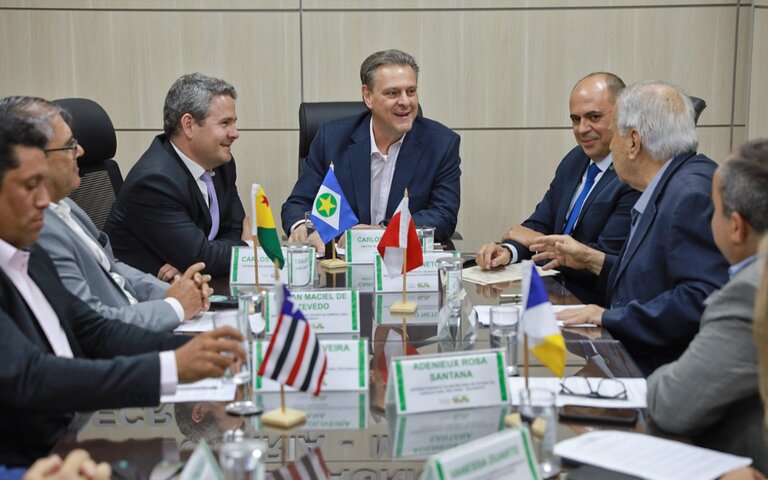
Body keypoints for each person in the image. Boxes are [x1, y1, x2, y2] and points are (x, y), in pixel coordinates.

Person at [0, 115, 245, 467]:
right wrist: (172, 365)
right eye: (28, 186)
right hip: (32, 458)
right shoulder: (33, 244)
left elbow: (93, 331)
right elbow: (34, 375)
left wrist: (200, 350)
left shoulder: (30, 255)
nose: (44, 202)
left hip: (79, 434)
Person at [530, 81, 729, 374]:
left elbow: (700, 300)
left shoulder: (690, 195)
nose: (611, 147)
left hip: (658, 374)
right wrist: (592, 261)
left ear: (634, 142)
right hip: (633, 357)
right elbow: (653, 279)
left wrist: (611, 318)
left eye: (616, 138)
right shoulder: (670, 184)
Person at [0, 96, 209, 331]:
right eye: (70, 145)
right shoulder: (38, 229)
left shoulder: (66, 204)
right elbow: (93, 325)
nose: (80, 151)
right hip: (125, 339)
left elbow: (114, 267)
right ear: (34, 157)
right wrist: (175, 306)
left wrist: (176, 292)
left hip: (143, 319)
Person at [646, 139, 768, 471]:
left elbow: (673, 403)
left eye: (713, 210)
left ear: (737, 226)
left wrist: (658, 375)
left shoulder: (750, 294)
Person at [475, 73, 640, 305]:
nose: (582, 129)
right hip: (553, 295)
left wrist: (535, 240)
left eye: (594, 117)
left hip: (594, 305)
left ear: (622, 116)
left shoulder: (632, 176)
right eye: (575, 119)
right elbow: (539, 222)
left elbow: (600, 261)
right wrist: (509, 252)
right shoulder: (574, 160)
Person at [281, 49, 461, 251]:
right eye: (393, 93)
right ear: (368, 96)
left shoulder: (441, 144)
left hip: (402, 267)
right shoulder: (331, 139)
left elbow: (443, 215)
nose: (405, 102)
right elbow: (298, 204)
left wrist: (380, 232)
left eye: (411, 91)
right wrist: (304, 229)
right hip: (337, 267)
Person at [104, 73, 249, 278]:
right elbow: (203, 256)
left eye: (234, 123)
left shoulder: (221, 164)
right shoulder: (154, 182)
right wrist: (247, 248)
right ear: (188, 125)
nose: (235, 133)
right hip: (142, 294)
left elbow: (234, 229)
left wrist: (197, 259)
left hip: (196, 284)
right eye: (225, 123)